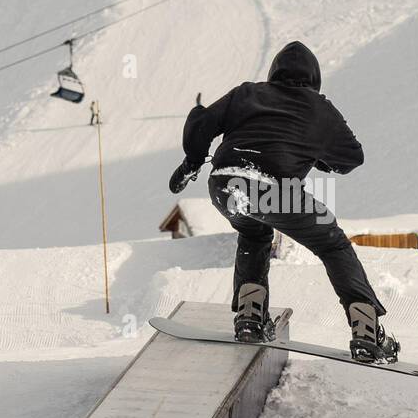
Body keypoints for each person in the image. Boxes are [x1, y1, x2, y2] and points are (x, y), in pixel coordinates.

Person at [167, 41, 399, 362]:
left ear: (274, 73)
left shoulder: (247, 93)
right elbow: (351, 158)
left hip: (224, 183)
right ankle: (366, 330)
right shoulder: (320, 109)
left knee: (253, 232)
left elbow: (201, 122)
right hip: (272, 189)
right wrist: (319, 156)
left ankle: (250, 315)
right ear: (315, 79)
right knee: (332, 245)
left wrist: (192, 162)